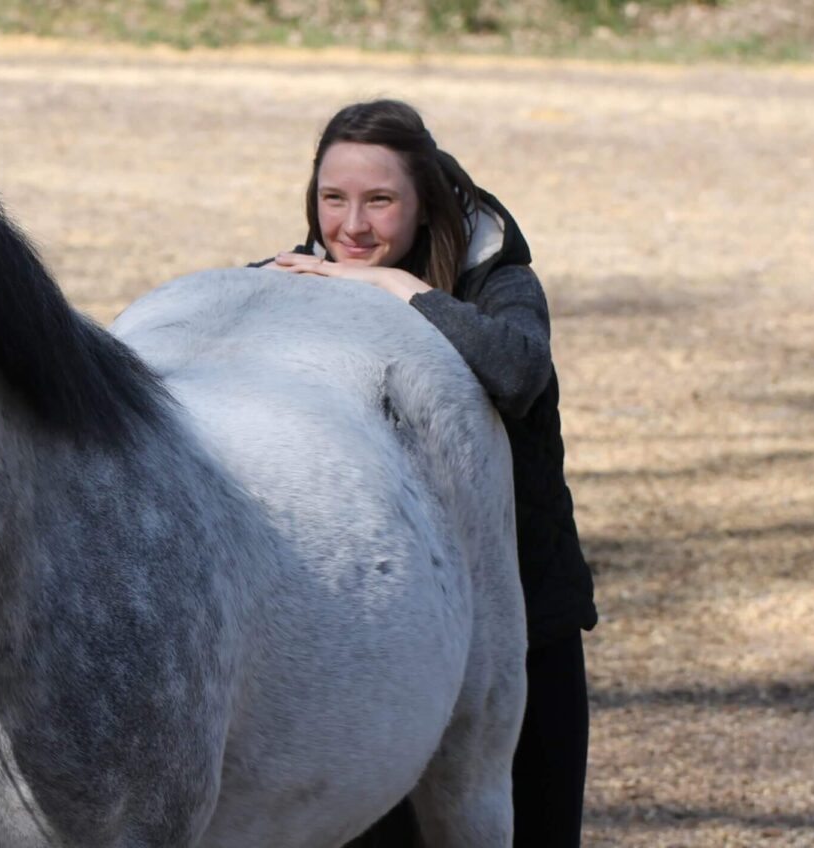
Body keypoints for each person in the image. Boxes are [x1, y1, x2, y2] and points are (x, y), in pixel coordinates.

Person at [257, 100, 598, 846]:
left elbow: (517, 372)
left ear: (424, 206)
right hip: (380, 640)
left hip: (525, 624)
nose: (351, 226)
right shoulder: (289, 284)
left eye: (380, 201)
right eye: (332, 199)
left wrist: (395, 290)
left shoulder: (496, 281)